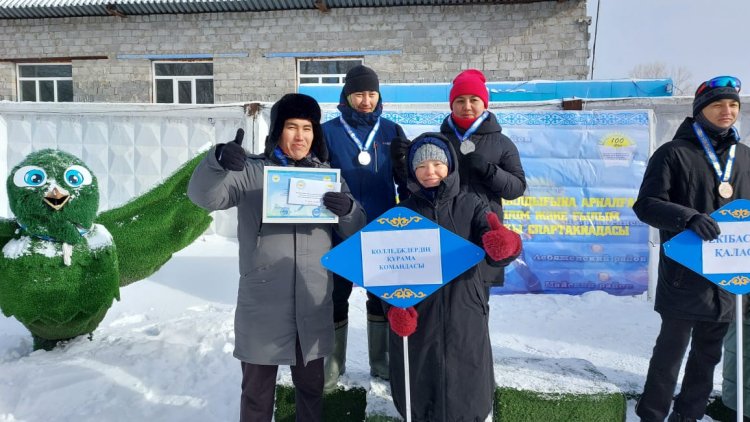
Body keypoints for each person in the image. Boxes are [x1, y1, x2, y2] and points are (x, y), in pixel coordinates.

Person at [187, 93, 366, 422]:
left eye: (308, 128)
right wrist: (216, 161)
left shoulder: (327, 177)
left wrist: (349, 210)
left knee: (311, 390)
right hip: (264, 301)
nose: (300, 136)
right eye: (292, 127)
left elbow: (357, 228)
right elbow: (202, 195)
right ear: (277, 131)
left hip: (312, 300)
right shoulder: (253, 172)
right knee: (256, 394)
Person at [632, 75, 748, 422]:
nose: (726, 111)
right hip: (685, 274)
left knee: (708, 354)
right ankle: (652, 413)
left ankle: (690, 413)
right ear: (700, 111)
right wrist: (687, 217)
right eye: (718, 104)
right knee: (670, 352)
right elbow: (646, 205)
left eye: (733, 105)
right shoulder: (673, 153)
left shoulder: (744, 157)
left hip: (727, 278)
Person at [384, 133, 522, 421]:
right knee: (419, 390)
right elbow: (385, 272)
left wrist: (505, 245)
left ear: (450, 165)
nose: (430, 171)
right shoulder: (400, 214)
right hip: (419, 316)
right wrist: (394, 309)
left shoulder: (471, 204)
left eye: (437, 163)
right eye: (421, 166)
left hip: (465, 310)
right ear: (412, 171)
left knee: (467, 386)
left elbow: (496, 242)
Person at [321, 64, 408, 389]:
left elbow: (407, 182)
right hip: (339, 232)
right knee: (335, 297)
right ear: (347, 95)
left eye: (372, 93)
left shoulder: (392, 131)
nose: (366, 99)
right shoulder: (327, 132)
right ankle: (332, 365)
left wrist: (404, 164)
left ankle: (382, 363)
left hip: (383, 230)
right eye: (359, 93)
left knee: (382, 298)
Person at [438, 69, 527, 293]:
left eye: (473, 100)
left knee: (476, 301)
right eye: (460, 100)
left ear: (484, 103)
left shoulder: (502, 143)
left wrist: (490, 171)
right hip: (445, 229)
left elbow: (516, 188)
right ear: (451, 104)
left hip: (484, 229)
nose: (467, 106)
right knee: (441, 299)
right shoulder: (438, 141)